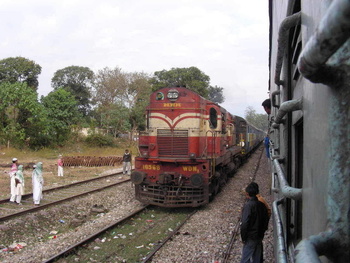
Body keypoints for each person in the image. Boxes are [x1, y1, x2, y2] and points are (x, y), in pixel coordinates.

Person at [240, 183, 269, 263]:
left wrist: (243, 237)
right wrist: (263, 231)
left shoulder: (248, 206)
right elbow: (266, 219)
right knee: (257, 258)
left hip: (251, 237)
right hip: (259, 236)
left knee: (245, 259)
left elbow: (245, 223)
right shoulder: (262, 205)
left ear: (247, 194)